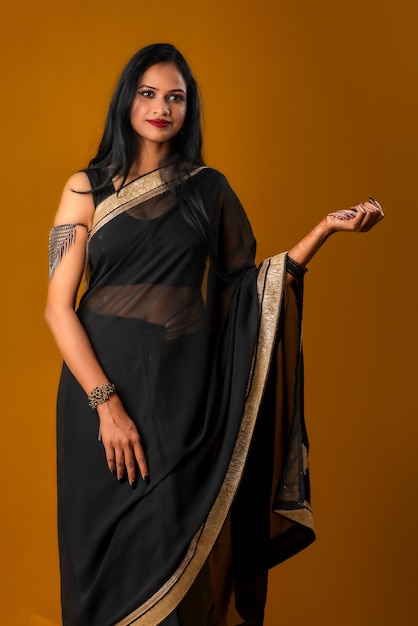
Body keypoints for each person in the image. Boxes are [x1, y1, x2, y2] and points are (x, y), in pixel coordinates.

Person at [45, 43, 383, 626]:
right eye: (149, 94)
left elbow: (247, 293)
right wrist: (105, 405)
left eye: (175, 97)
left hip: (181, 404)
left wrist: (322, 231)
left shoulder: (209, 190)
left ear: (188, 109)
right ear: (127, 99)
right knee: (97, 567)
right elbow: (57, 308)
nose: (161, 107)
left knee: (175, 552)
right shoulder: (86, 188)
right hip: (97, 398)